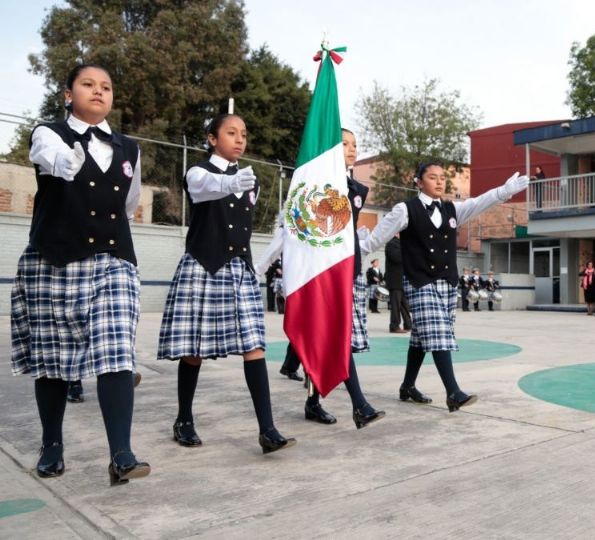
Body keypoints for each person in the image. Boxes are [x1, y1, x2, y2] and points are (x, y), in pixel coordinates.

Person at [11, 64, 149, 483]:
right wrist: (69, 161)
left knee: (116, 349)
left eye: (106, 86)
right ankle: (52, 443)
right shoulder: (47, 133)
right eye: (88, 84)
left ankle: (122, 454)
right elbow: (52, 162)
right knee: (52, 359)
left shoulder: (129, 148)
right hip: (54, 257)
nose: (98, 91)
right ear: (68, 94)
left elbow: (129, 203)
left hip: (113, 259)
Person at [157, 113, 295, 454]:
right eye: (231, 133)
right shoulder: (198, 172)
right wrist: (232, 182)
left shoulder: (250, 180)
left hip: (239, 269)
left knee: (255, 346)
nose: (240, 139)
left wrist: (257, 267)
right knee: (193, 351)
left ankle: (267, 429)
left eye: (244, 134)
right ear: (212, 138)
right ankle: (184, 419)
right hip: (204, 266)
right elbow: (206, 190)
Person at [359, 164, 528, 412]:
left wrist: (504, 191)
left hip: (447, 282)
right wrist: (352, 249)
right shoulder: (404, 210)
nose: (439, 182)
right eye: (432, 177)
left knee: (420, 338)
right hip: (419, 282)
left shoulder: (452, 209)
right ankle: (453, 392)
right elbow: (376, 239)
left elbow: (479, 202)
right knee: (438, 334)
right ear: (418, 182)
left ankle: (407, 386)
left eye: (442, 178)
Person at [257, 128, 385, 429]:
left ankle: (314, 402)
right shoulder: (315, 187)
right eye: (344, 144)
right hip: (320, 277)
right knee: (338, 341)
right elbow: (290, 232)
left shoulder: (355, 190)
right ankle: (360, 405)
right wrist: (260, 267)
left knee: (339, 342)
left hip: (347, 273)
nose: (352, 149)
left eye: (355, 145)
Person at [385, 235, 412, 333]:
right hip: (395, 280)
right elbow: (397, 258)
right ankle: (394, 326)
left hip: (401, 280)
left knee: (404, 304)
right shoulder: (391, 243)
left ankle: (408, 324)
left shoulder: (400, 244)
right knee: (396, 305)